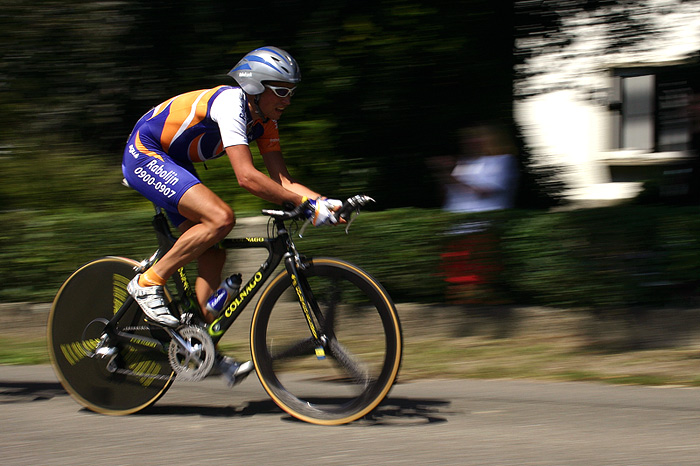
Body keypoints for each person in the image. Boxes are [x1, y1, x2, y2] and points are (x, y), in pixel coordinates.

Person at [120, 46, 342, 382]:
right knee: (221, 218)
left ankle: (197, 343)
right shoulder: (230, 104)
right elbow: (247, 177)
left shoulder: (264, 122)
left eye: (292, 92)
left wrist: (327, 202)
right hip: (144, 152)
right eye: (281, 91)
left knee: (211, 252)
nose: (288, 100)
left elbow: (284, 181)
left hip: (173, 161)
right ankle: (148, 282)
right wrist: (308, 207)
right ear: (255, 86)